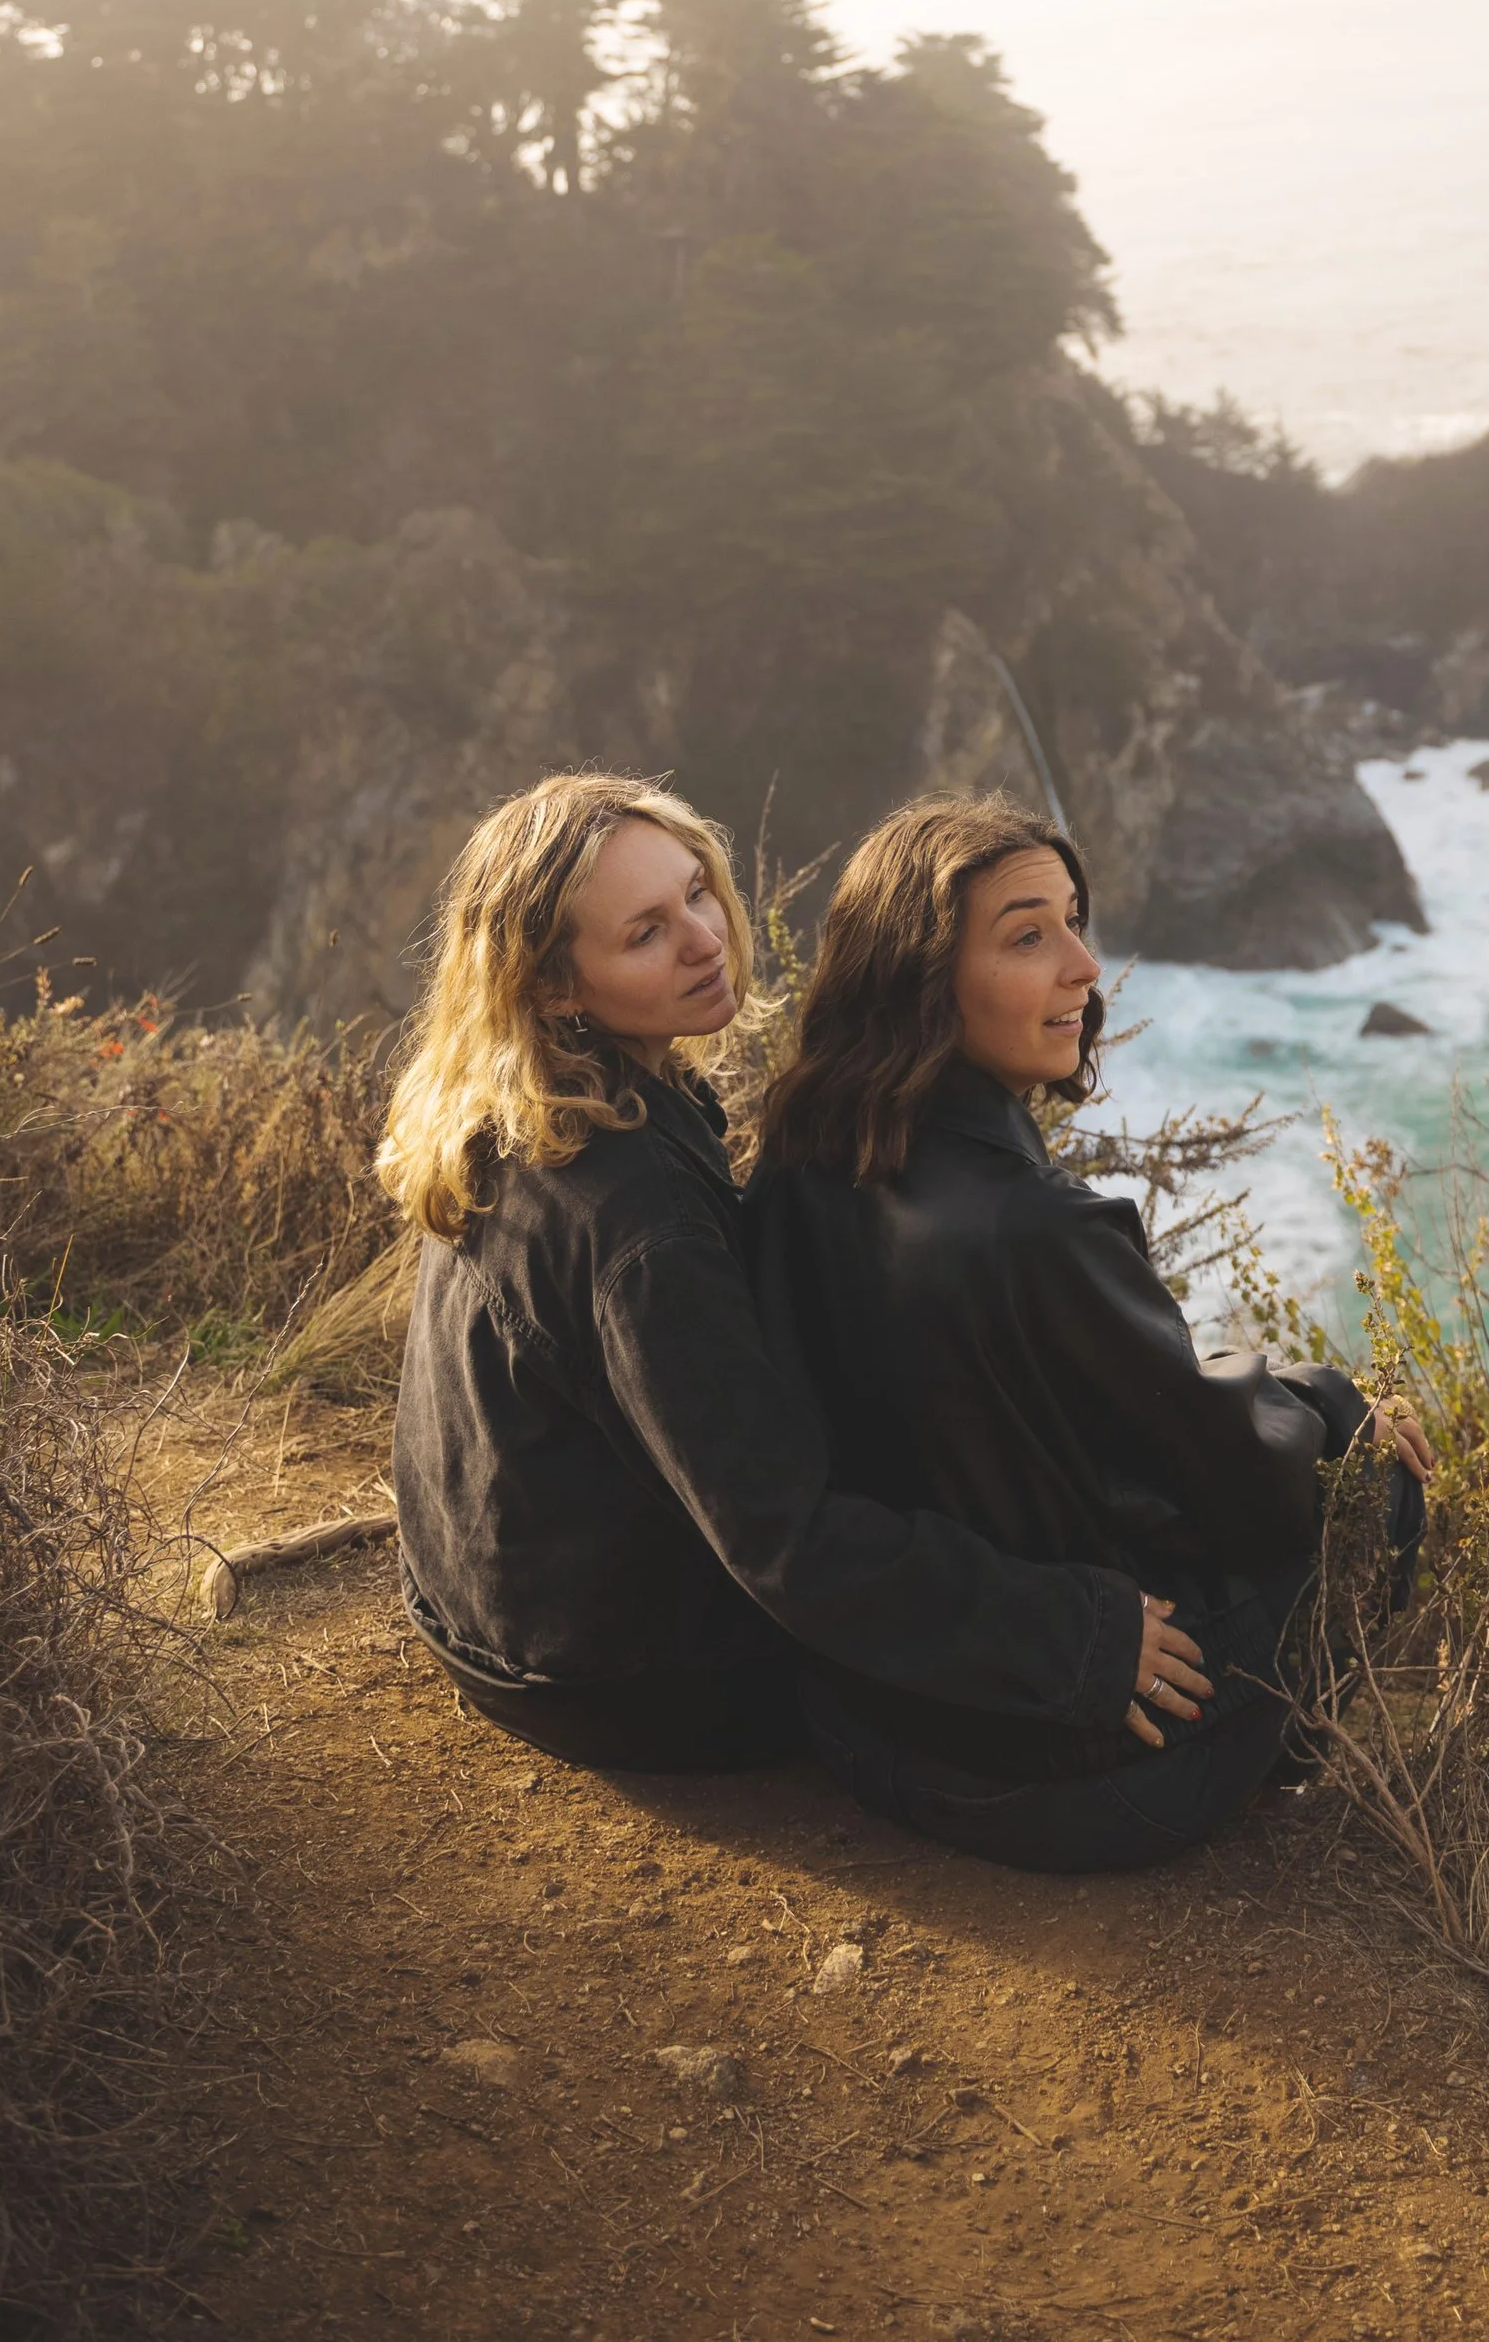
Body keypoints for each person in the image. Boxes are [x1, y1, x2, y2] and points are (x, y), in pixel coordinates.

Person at [379, 773, 1211, 1776]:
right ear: (552, 985)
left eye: (695, 891)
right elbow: (784, 1538)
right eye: (645, 933)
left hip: (478, 1609)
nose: (702, 937)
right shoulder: (640, 1218)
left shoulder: (535, 1097)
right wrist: (1069, 1633)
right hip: (622, 1680)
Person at [747, 796, 1431, 1870]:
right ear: (923, 977)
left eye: (1074, 920)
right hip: (1075, 1777)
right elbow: (1243, 1482)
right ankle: (1285, 1765)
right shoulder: (1042, 1228)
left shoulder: (796, 1161)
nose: (1085, 966)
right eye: (1028, 936)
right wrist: (1339, 1407)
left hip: (868, 1727)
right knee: (1380, 1484)